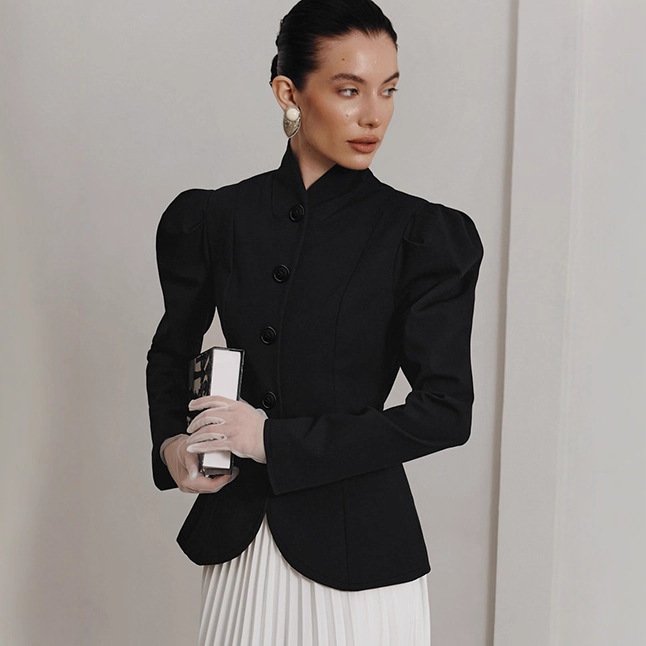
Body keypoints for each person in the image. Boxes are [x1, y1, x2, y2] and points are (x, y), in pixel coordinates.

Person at [145, 1, 484, 644]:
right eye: (349, 90)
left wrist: (272, 441)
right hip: (239, 546)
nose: (374, 115)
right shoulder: (215, 218)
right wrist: (170, 444)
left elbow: (445, 412)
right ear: (288, 93)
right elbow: (171, 350)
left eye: (388, 90)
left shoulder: (422, 235)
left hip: (361, 559)